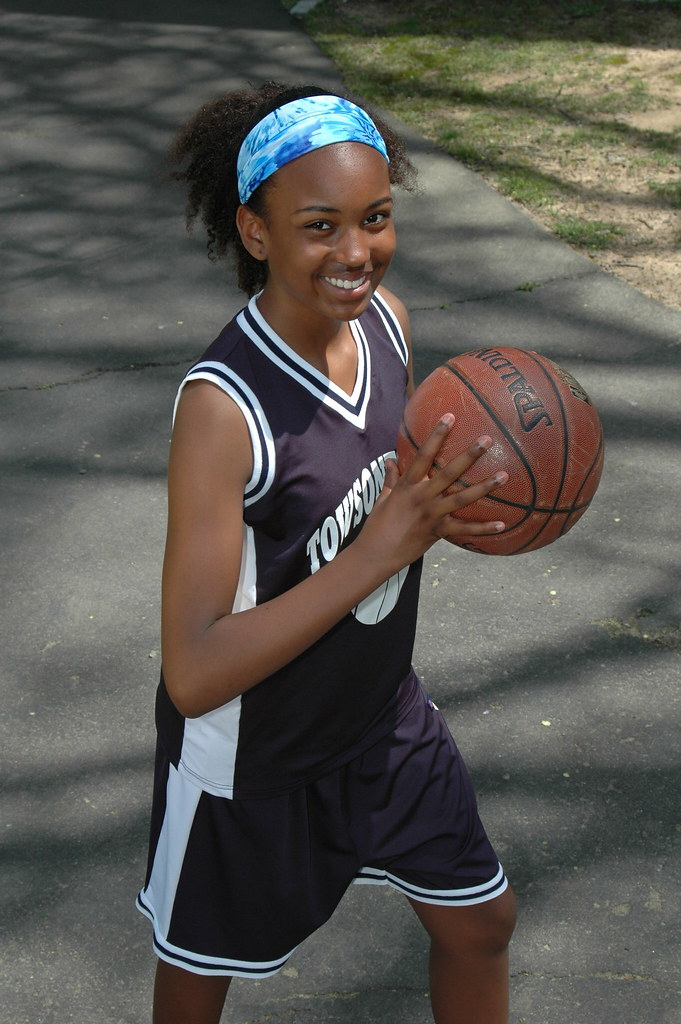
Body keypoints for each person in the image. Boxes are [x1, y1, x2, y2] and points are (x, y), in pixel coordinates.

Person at [136, 81, 516, 1024]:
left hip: (382, 722)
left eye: (376, 218)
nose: (357, 252)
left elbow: (380, 496)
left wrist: (445, 508)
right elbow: (192, 672)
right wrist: (378, 552)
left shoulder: (387, 323)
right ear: (255, 231)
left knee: (481, 923)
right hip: (253, 764)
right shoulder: (224, 409)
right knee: (198, 980)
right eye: (320, 226)